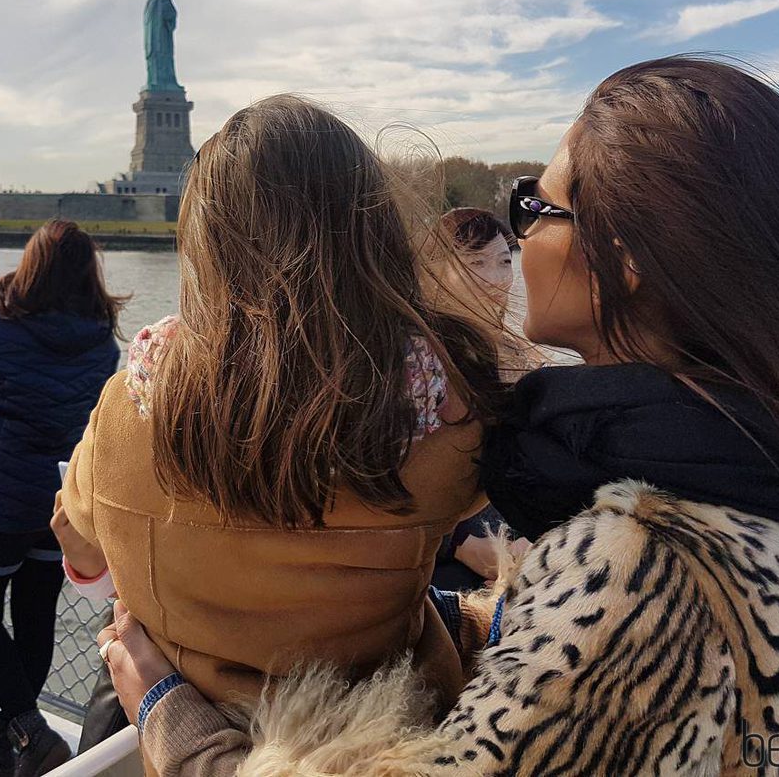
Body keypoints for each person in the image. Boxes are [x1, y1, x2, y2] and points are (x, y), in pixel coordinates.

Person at [100, 57, 779, 776]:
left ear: (625, 260)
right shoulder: (769, 477)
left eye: (537, 204)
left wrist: (170, 713)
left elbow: (615, 648)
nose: (519, 235)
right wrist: (480, 624)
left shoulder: (642, 567)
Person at [53, 96, 501, 767]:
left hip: (186, 739)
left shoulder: (126, 409)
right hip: (398, 741)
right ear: (370, 231)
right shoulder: (445, 415)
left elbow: (80, 547)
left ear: (204, 242)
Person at [0, 220, 122, 777]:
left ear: (30, 265)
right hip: (58, 507)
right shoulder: (101, 341)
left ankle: (27, 730)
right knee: (37, 616)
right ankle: (8, 735)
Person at [429, 208, 533, 591]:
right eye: (476, 262)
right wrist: (457, 544)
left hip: (511, 532)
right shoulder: (421, 361)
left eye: (504, 262)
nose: (496, 279)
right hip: (448, 551)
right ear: (436, 272)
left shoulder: (518, 352)